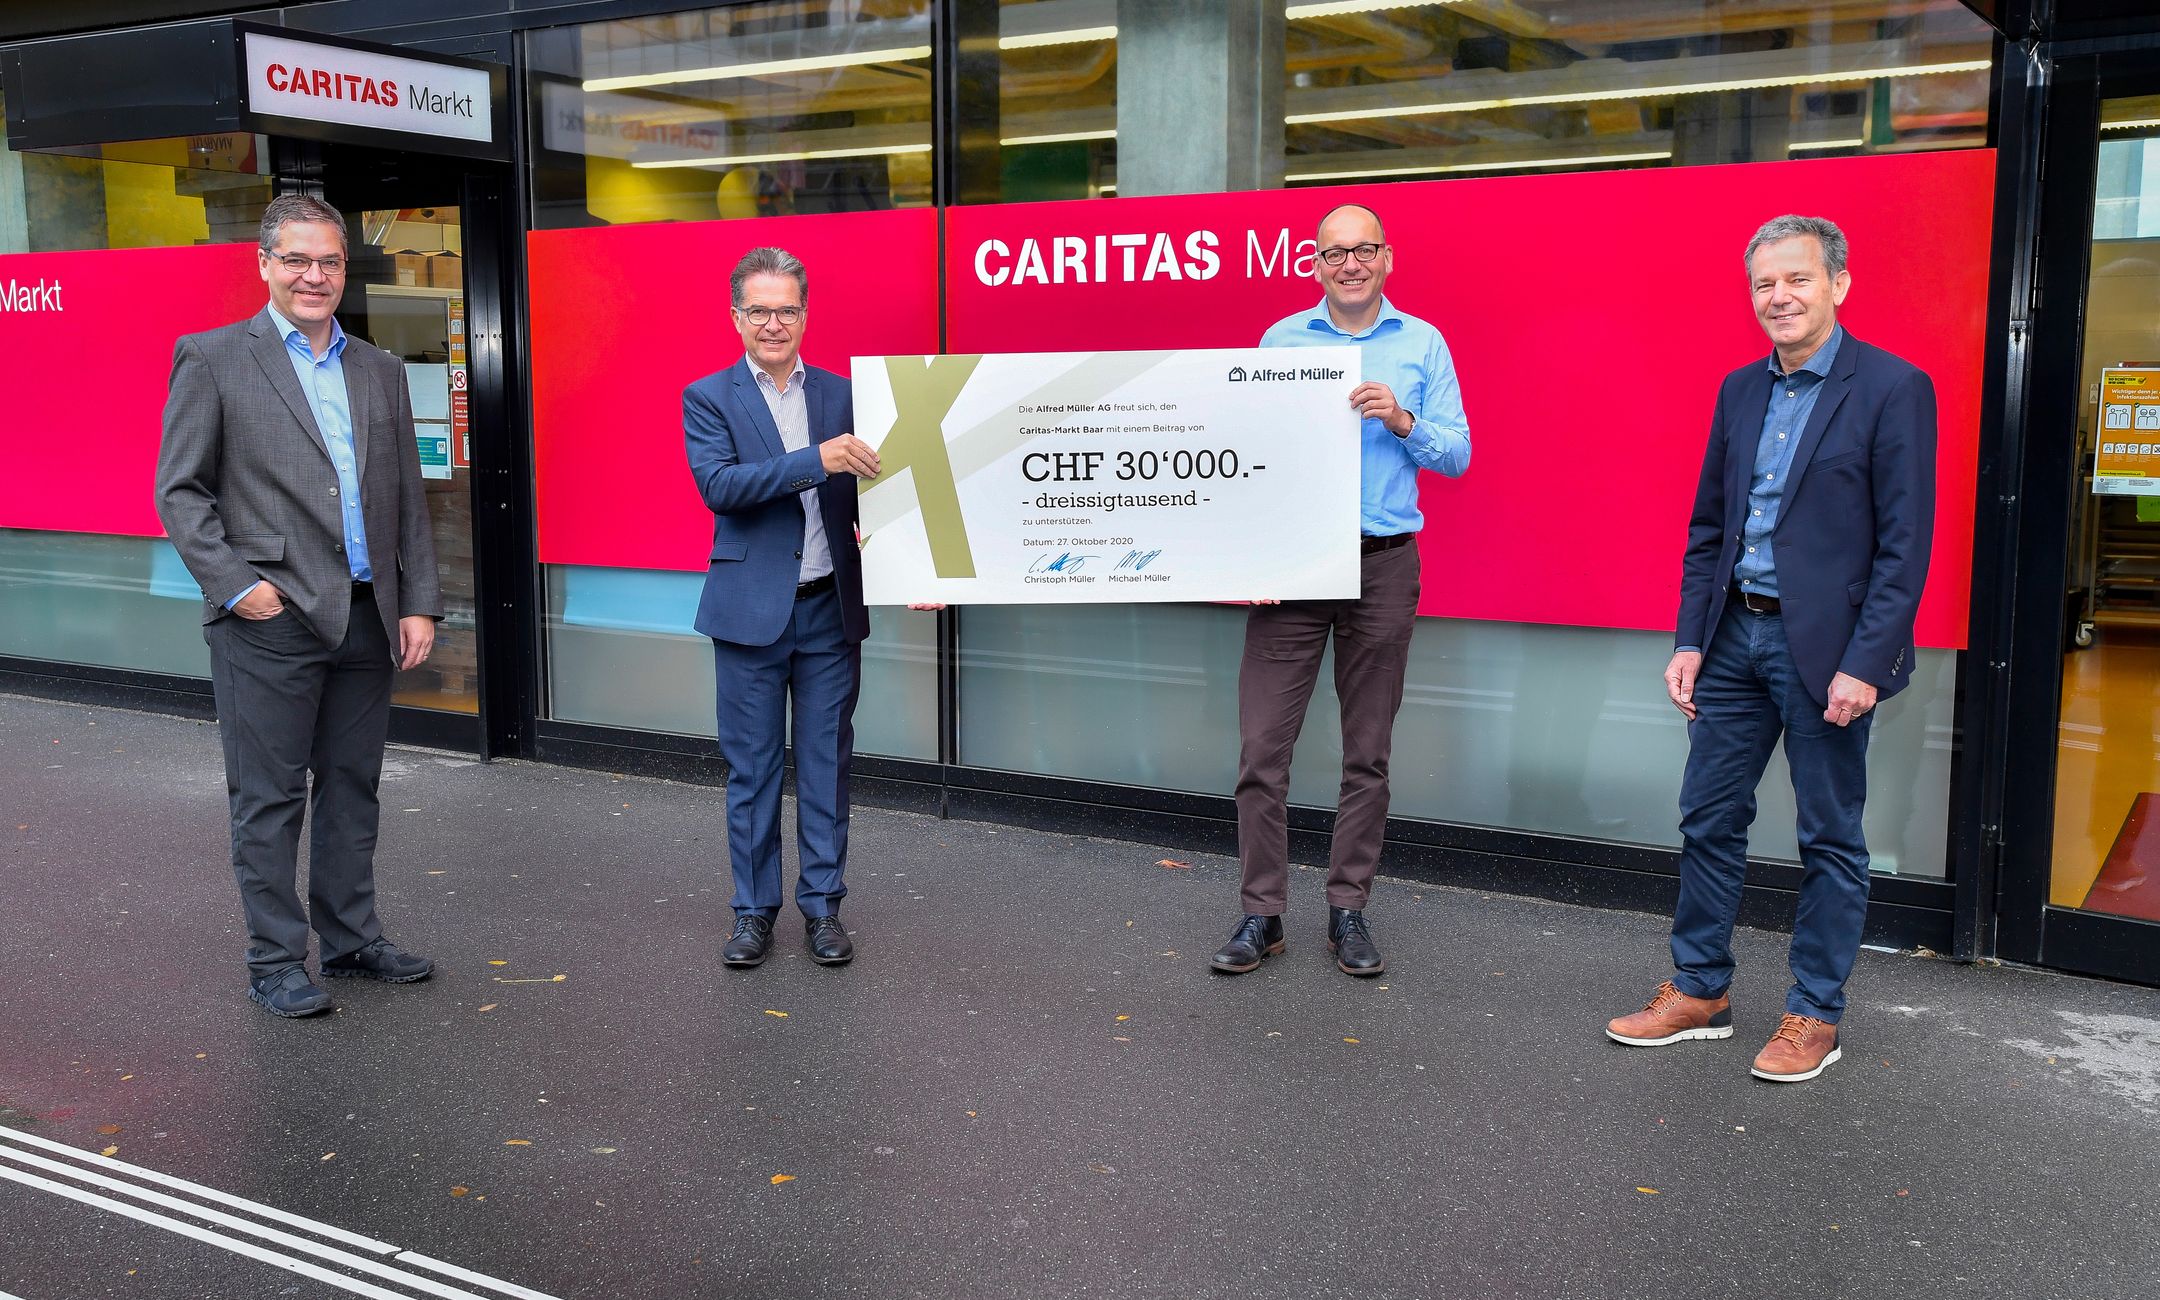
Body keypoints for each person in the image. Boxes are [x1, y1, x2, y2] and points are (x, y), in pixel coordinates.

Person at [1606, 214, 1936, 1083]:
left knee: (1830, 836)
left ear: (1839, 284)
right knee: (1708, 817)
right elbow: (1710, 528)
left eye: (1797, 279)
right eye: (1764, 283)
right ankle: (1699, 991)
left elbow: (1905, 548)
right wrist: (1689, 639)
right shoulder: (1739, 390)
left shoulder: (1894, 388)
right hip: (1732, 640)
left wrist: (1865, 662)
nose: (1779, 296)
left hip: (1827, 655)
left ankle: (1814, 1013)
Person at [156, 193, 443, 1018]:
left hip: (367, 614)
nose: (314, 276)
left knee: (353, 786)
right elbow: (180, 491)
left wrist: (417, 601)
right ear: (265, 265)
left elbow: (406, 496)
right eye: (297, 260)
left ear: (345, 269)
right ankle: (276, 961)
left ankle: (350, 939)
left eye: (329, 262)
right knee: (269, 797)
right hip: (269, 620)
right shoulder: (213, 357)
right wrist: (239, 588)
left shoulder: (378, 369)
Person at [1211, 202, 1471, 978]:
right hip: (1293, 566)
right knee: (1261, 751)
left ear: (1387, 258)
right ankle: (1262, 914)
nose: (1349, 263)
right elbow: (1249, 459)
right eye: (1334, 253)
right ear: (1315, 263)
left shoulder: (1422, 343)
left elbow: (1458, 455)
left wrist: (1402, 419)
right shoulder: (1280, 342)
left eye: (1363, 250)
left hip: (1383, 564)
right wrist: (1253, 559)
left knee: (1368, 754)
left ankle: (1348, 908)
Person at [684, 247, 883, 969]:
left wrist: (911, 567)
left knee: (827, 767)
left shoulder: (844, 395)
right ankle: (753, 912)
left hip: (829, 611)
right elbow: (721, 487)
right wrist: (814, 461)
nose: (774, 323)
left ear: (806, 314)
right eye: (760, 310)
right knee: (754, 772)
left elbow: (882, 493)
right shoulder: (709, 396)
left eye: (787, 310)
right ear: (736, 317)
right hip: (749, 616)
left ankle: (824, 909)